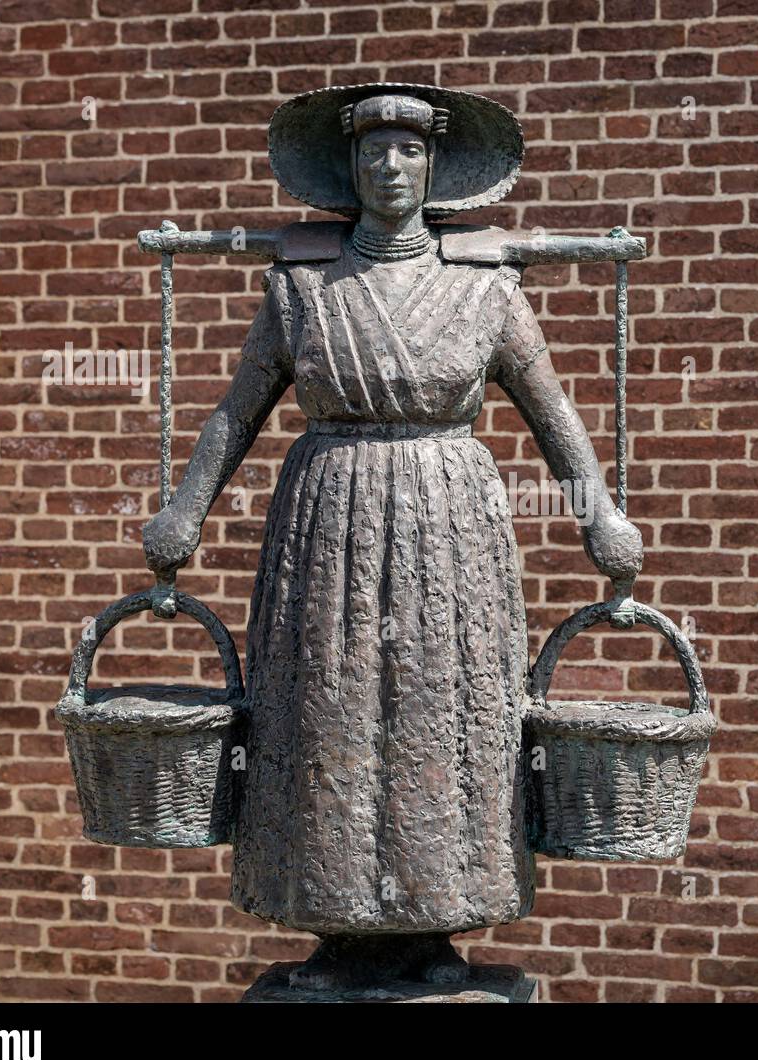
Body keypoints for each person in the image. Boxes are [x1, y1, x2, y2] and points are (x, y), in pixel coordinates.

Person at [141, 84, 642, 989]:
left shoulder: (487, 290)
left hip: (449, 523)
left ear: (434, 167)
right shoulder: (300, 289)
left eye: (408, 150)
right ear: (350, 167)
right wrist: (188, 506)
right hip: (326, 518)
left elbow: (553, 411)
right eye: (372, 149)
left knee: (447, 713)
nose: (389, 165)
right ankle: (336, 927)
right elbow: (236, 409)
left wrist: (596, 510)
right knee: (320, 712)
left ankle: (435, 929)